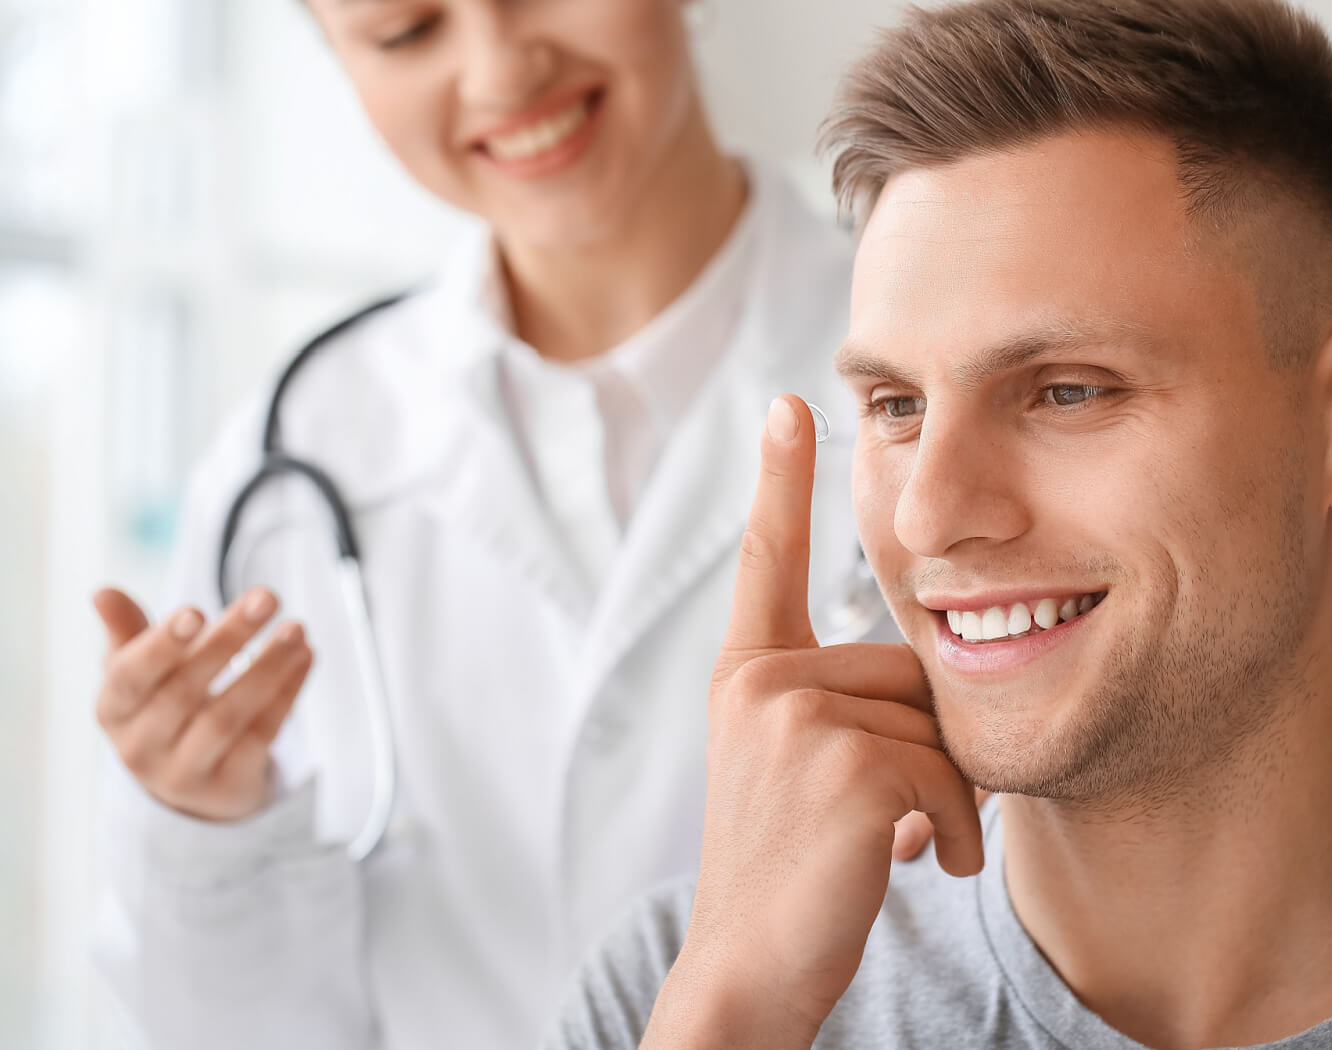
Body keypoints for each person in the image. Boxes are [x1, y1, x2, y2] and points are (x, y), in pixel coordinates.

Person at [545, 1, 1332, 1047]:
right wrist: (737, 1012)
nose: (930, 516)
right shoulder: (684, 988)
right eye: (896, 407)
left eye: (1066, 391)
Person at [87, 1, 918, 1047]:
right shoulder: (295, 451)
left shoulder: (933, 352)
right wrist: (202, 823)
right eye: (405, 30)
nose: (500, 71)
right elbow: (237, 1030)